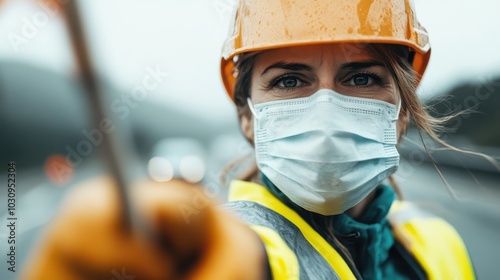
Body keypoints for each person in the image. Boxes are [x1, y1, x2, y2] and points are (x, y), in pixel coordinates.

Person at [23, 0, 475, 279]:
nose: (326, 108)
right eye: (289, 82)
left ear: (400, 111)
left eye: (361, 77)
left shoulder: (441, 244)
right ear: (247, 117)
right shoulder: (234, 249)